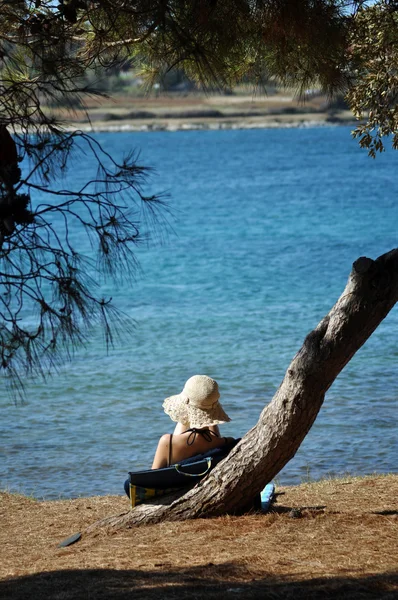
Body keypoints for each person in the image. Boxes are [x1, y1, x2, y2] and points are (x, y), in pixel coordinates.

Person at [151, 374, 235, 469]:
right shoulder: (225, 443)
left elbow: (152, 477)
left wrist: (185, 411)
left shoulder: (168, 442)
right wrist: (210, 412)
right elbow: (213, 429)